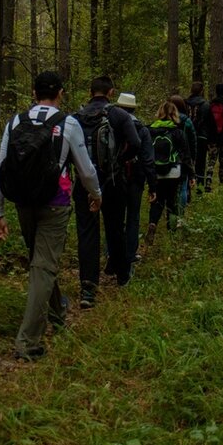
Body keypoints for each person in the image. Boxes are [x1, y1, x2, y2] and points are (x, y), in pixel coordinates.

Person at [0, 71, 102, 362]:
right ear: (61, 93)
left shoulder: (15, 122)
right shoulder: (68, 124)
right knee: (43, 266)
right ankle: (28, 341)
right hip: (57, 200)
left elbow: (1, 168)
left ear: (33, 91)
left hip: (23, 201)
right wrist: (96, 194)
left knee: (41, 262)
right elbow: (86, 170)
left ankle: (56, 311)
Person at [73, 75, 142, 308]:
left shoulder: (76, 118)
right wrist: (119, 161)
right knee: (115, 227)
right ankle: (122, 276)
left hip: (83, 184)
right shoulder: (119, 115)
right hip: (113, 181)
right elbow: (136, 144)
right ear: (111, 93)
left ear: (91, 92)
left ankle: (88, 289)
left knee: (87, 233)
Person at [116, 92, 156, 270]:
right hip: (136, 177)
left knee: (115, 216)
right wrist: (152, 185)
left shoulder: (111, 125)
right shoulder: (142, 129)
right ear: (133, 108)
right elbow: (148, 159)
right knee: (133, 215)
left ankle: (113, 252)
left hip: (115, 176)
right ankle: (131, 253)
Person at [146, 100, 190, 244]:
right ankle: (172, 232)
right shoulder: (177, 131)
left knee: (157, 200)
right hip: (173, 171)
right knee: (172, 201)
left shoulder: (150, 130)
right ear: (174, 114)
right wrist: (191, 174)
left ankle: (153, 223)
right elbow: (185, 153)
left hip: (155, 171)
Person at [197, 83, 223, 187]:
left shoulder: (210, 105)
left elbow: (207, 122)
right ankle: (222, 183)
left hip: (212, 139)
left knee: (211, 160)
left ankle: (208, 180)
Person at [170, 94, 197, 211]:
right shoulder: (187, 121)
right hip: (184, 158)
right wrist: (192, 158)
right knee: (183, 186)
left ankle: (171, 214)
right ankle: (181, 215)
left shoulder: (165, 119)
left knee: (171, 189)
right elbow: (193, 141)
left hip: (168, 157)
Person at [186, 81, 210, 194]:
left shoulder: (185, 103)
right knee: (200, 164)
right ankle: (200, 189)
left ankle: (187, 190)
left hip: (186, 136)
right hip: (201, 136)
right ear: (201, 91)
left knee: (187, 162)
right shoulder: (205, 104)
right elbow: (207, 122)